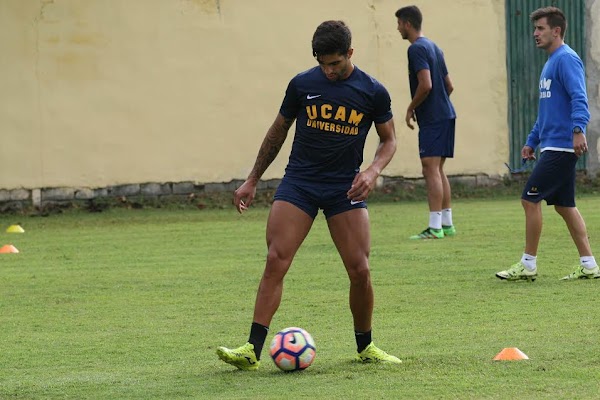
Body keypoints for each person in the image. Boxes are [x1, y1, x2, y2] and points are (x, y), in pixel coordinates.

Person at [216, 20, 401, 370]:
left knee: (360, 270)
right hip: (299, 183)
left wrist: (372, 171)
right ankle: (251, 350)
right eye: (323, 64)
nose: (329, 71)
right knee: (276, 259)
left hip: (344, 187)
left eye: (336, 63)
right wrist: (253, 178)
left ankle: (366, 347)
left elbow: (389, 139)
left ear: (350, 53)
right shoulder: (302, 85)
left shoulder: (373, 91)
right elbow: (278, 132)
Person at [496, 6, 598, 281]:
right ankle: (589, 264)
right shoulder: (550, 62)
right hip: (552, 144)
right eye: (534, 28)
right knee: (565, 205)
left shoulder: (567, 59)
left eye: (540, 28)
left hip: (562, 146)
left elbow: (579, 97)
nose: (535, 34)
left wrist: (578, 129)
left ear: (556, 30)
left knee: (529, 199)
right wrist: (532, 141)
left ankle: (528, 264)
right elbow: (546, 112)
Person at [395, 6, 457, 240]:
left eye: (399, 23)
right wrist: (440, 105)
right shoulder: (434, 46)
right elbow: (448, 85)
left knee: (429, 169)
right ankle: (447, 224)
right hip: (447, 114)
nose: (398, 28)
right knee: (438, 169)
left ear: (408, 24)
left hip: (433, 119)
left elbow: (426, 84)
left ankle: (434, 228)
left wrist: (412, 107)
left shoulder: (416, 49)